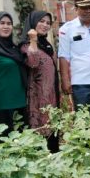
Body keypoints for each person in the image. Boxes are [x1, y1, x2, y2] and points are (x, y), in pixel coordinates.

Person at [20, 10, 59, 152]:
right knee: (39, 132)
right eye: (41, 21)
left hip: (51, 97)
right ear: (32, 23)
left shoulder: (47, 45)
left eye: (48, 23)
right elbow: (33, 62)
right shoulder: (26, 45)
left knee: (52, 130)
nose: (45, 25)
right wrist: (33, 40)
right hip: (37, 98)